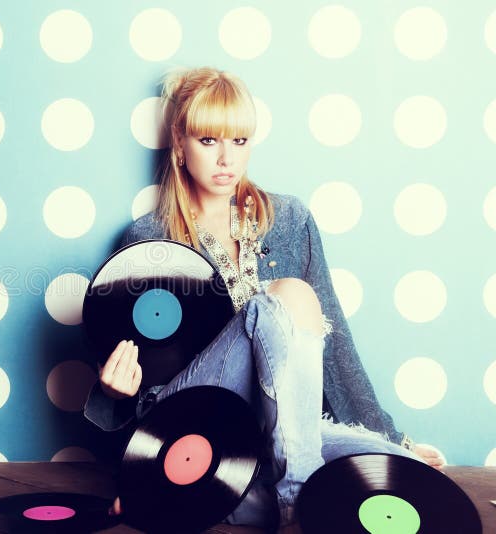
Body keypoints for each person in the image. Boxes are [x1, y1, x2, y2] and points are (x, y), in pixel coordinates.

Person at [83, 66, 446, 529]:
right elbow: (126, 363)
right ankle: (295, 495)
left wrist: (393, 437)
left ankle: (204, 496)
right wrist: (115, 390)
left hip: (281, 425)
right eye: (209, 140)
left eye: (239, 141)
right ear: (179, 144)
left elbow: (333, 344)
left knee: (396, 470)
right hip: (192, 421)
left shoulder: (291, 220)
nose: (226, 160)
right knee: (285, 296)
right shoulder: (147, 239)